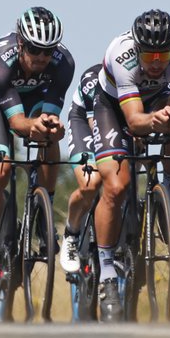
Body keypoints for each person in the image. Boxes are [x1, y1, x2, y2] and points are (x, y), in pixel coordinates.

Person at [91, 9, 170, 321]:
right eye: (149, 54)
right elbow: (135, 122)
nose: (156, 62)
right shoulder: (121, 56)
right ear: (137, 48)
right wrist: (154, 119)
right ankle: (107, 274)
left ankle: (169, 196)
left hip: (154, 99)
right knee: (117, 186)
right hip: (114, 107)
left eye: (163, 54)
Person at [0, 7, 75, 306]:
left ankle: (44, 211)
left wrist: (52, 127)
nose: (41, 57)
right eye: (33, 49)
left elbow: (47, 118)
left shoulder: (63, 63)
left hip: (35, 98)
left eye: (47, 51)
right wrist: (34, 125)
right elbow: (17, 125)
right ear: (20, 43)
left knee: (48, 132)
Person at [60, 63, 103, 273]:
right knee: (91, 183)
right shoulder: (92, 80)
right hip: (86, 123)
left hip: (122, 126)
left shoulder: (152, 78)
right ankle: (71, 233)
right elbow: (98, 129)